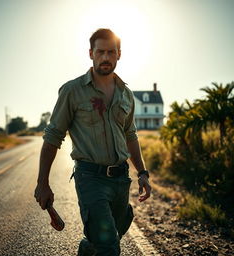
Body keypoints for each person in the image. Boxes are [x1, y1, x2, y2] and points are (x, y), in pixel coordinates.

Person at [34, 28, 151, 256]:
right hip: (90, 178)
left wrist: (143, 172)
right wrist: (42, 183)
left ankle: (88, 248)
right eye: (100, 52)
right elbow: (52, 138)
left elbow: (130, 135)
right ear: (91, 53)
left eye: (111, 52)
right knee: (109, 246)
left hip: (120, 179)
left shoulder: (126, 94)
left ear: (119, 54)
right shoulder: (72, 91)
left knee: (112, 233)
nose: (105, 57)